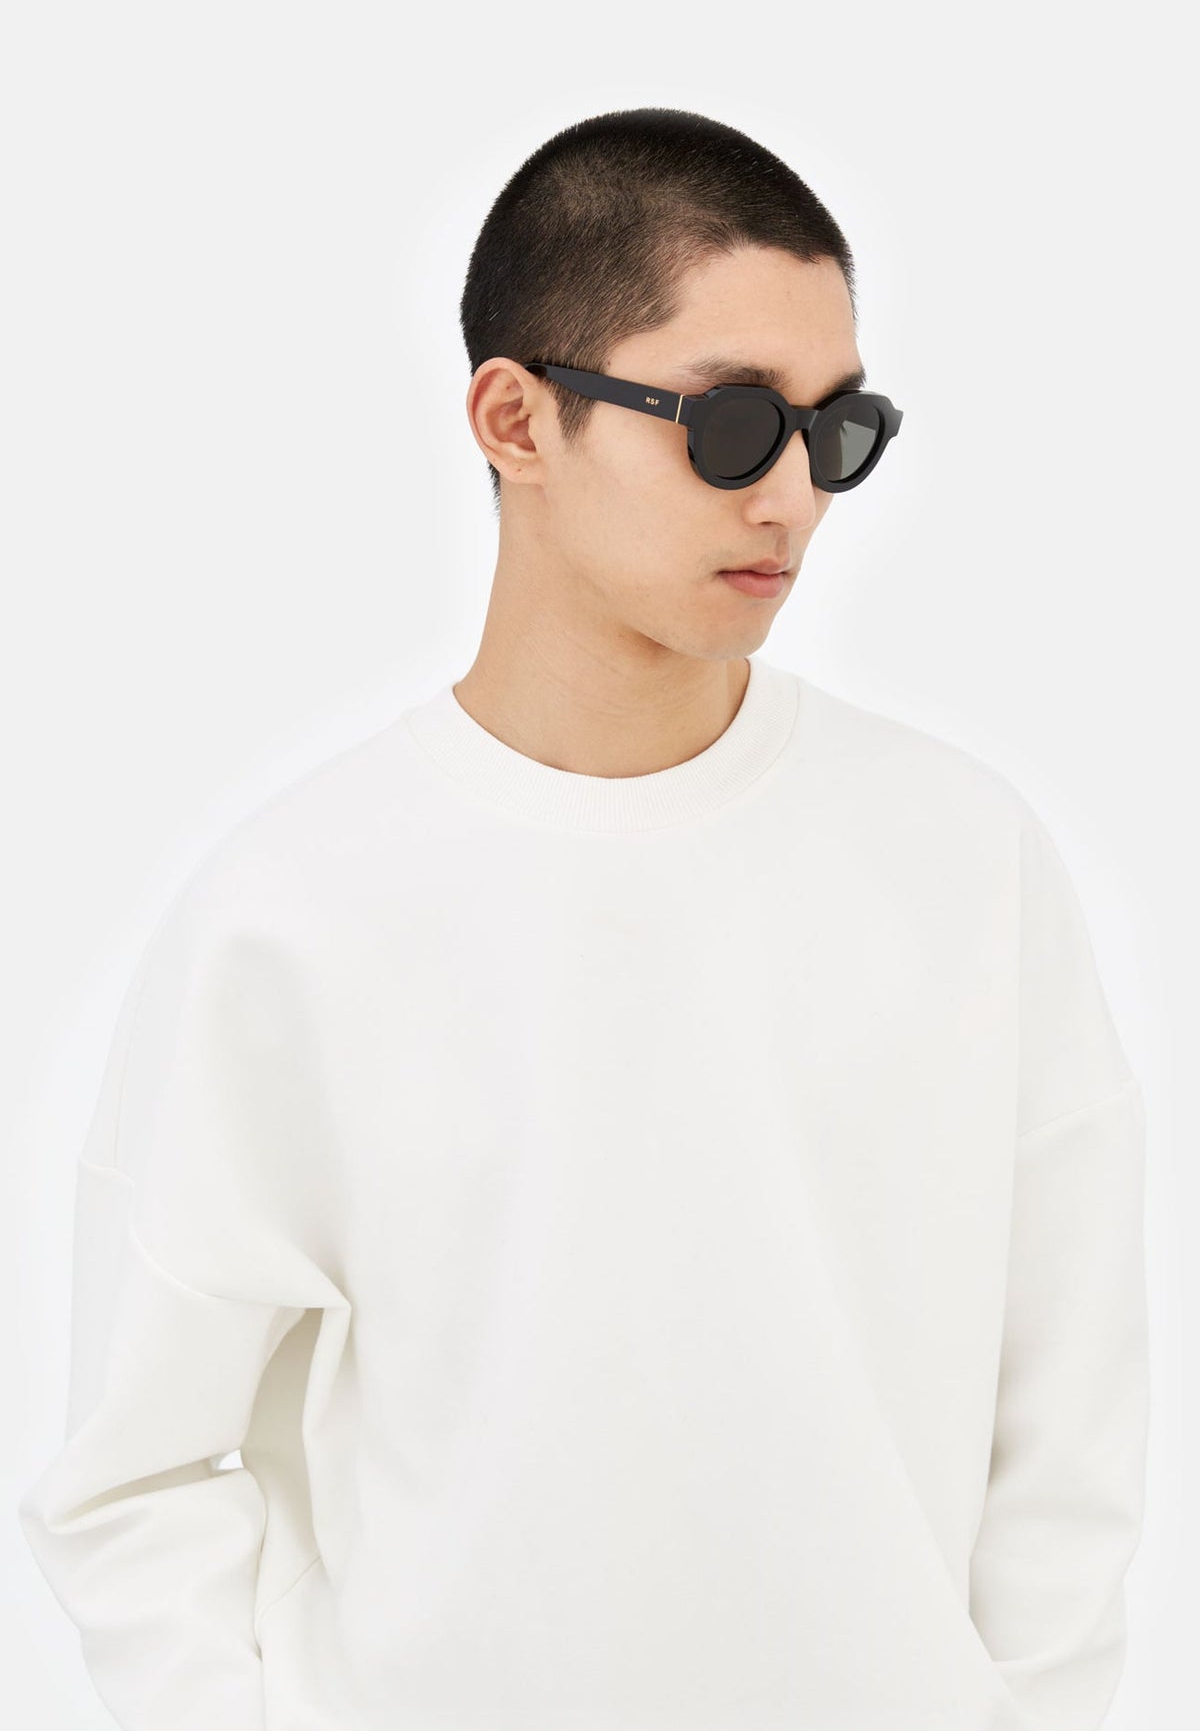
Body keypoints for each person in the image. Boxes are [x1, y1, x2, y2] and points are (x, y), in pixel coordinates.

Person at [17, 107, 1149, 1731]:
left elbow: (1068, 1442)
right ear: (516, 418)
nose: (794, 497)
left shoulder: (966, 859)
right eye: (732, 422)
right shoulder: (298, 913)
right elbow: (135, 1477)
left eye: (839, 430)